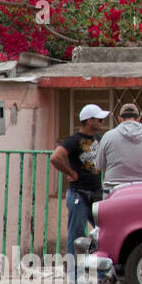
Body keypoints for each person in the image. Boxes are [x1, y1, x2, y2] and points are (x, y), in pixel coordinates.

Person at [49, 104, 108, 250]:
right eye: (99, 120)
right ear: (89, 121)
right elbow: (55, 157)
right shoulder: (73, 140)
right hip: (79, 192)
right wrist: (71, 172)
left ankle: (99, 269)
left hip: (96, 191)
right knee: (77, 235)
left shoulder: (97, 138)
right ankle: (74, 272)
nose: (103, 122)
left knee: (104, 232)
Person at [95, 103, 142, 190]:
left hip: (114, 189)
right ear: (138, 119)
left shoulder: (108, 136)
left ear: (119, 119)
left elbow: (99, 165)